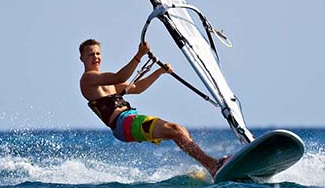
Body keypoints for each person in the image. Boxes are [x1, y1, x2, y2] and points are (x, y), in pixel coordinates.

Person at [79, 38, 229, 177]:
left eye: (98, 53)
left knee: (180, 130)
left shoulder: (106, 82)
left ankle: (211, 166)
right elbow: (120, 77)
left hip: (129, 122)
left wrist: (159, 72)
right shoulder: (88, 79)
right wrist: (139, 55)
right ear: (82, 59)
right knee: (175, 130)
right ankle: (213, 165)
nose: (96, 57)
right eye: (91, 54)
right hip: (123, 124)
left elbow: (137, 87)